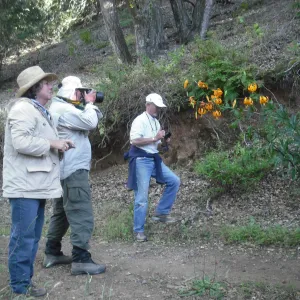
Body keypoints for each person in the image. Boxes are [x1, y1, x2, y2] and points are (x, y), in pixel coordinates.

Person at [2, 65, 74, 297]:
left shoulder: (39, 110)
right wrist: (53, 144)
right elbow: (22, 142)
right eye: (46, 83)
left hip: (36, 185)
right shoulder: (23, 109)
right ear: (34, 88)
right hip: (25, 187)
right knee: (23, 238)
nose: (51, 86)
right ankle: (19, 288)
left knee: (31, 238)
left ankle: (24, 283)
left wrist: (60, 143)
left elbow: (39, 141)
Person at [43, 76, 106, 275]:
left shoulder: (60, 107)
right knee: (81, 211)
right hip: (73, 171)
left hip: (65, 170)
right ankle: (81, 259)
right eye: (80, 92)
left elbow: (93, 118)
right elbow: (91, 122)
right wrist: (89, 103)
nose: (83, 95)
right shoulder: (63, 110)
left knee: (61, 214)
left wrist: (85, 105)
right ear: (73, 92)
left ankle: (52, 252)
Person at [126, 93, 180, 242]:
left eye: (159, 106)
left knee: (174, 181)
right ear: (148, 104)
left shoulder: (155, 122)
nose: (158, 109)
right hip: (141, 160)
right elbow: (135, 140)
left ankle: (161, 213)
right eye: (156, 106)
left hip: (153, 159)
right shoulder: (139, 120)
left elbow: (155, 146)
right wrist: (155, 138)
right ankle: (138, 231)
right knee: (142, 197)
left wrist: (164, 143)